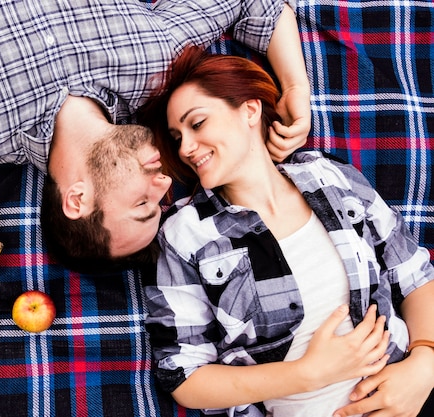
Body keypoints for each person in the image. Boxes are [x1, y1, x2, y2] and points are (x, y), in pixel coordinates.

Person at [0, 0, 310, 270]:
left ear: (77, 200)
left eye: (144, 205)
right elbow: (253, 5)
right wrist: (294, 87)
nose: (166, 184)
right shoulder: (156, 65)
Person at [140, 45, 434, 416]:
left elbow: (416, 277)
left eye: (196, 124)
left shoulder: (330, 176)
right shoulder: (185, 233)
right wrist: (305, 374)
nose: (185, 147)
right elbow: (184, 377)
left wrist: (425, 364)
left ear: (249, 110)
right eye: (177, 136)